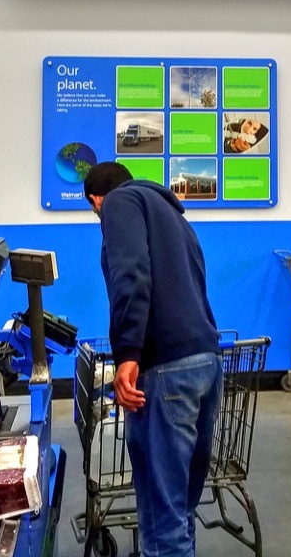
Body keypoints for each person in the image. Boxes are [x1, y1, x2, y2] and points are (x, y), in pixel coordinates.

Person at [83, 162, 221, 557]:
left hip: (166, 371)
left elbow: (130, 275)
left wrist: (128, 354)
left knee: (163, 521)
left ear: (95, 201)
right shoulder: (174, 216)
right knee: (179, 508)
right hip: (206, 362)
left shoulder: (118, 203)